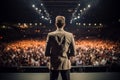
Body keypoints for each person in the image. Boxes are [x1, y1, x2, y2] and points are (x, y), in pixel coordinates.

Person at [45, 15, 76, 80]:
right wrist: (66, 55)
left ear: (55, 24)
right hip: (65, 63)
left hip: (53, 64)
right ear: (64, 24)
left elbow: (47, 52)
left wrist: (53, 55)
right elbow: (73, 52)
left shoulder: (50, 35)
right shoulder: (70, 35)